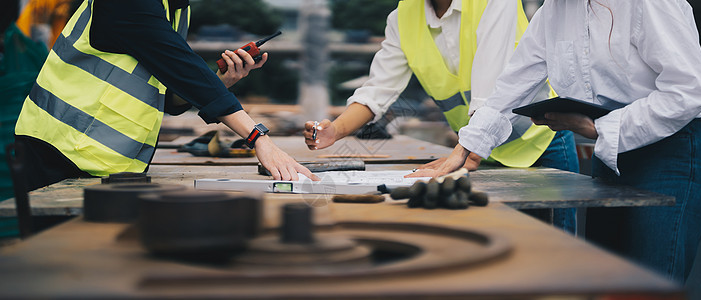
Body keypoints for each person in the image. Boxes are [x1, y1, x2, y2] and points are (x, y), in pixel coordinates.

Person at [412, 0, 701, 283]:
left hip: (672, 156)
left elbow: (690, 90)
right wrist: (465, 149)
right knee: (606, 284)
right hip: (611, 157)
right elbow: (512, 85)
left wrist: (598, 128)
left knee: (647, 286)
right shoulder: (553, 11)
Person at [303, 0, 579, 231]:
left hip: (540, 143)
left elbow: (489, 89)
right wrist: (336, 131)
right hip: (480, 156)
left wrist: (462, 154)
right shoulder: (403, 18)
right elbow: (378, 89)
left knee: (556, 254)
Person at [12, 0, 317, 193]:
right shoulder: (129, 5)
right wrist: (258, 139)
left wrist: (222, 81)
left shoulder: (175, 7)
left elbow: (168, 98)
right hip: (57, 152)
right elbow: (180, 65)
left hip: (102, 166)